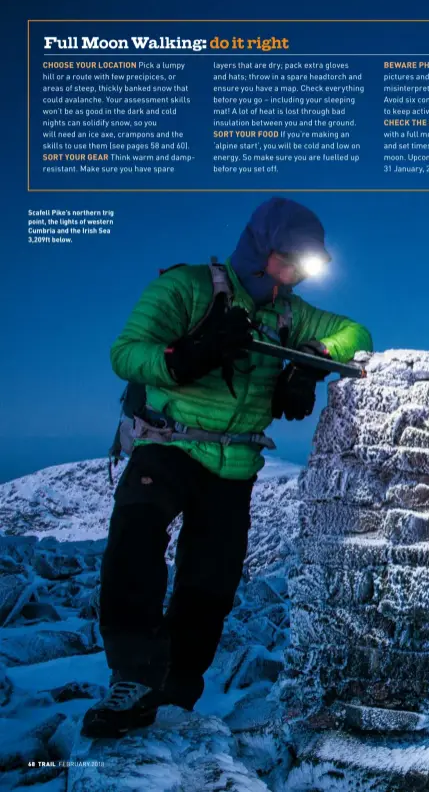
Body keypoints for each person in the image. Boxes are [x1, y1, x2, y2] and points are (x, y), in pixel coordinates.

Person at [82, 197, 373, 738]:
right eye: (293, 262)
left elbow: (358, 334)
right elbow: (126, 352)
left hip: (235, 462)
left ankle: (177, 690)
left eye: (308, 266)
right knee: (136, 542)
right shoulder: (188, 287)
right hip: (167, 445)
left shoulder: (289, 311)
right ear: (263, 251)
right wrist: (181, 358)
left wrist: (308, 359)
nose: (298, 276)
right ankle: (133, 678)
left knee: (211, 579)